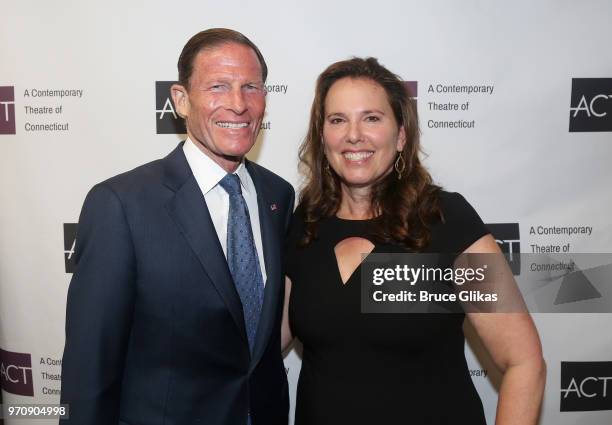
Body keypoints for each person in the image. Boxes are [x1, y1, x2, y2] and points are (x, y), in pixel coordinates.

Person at [281, 57, 546, 424]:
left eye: (372, 118)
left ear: (401, 135)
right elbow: (260, 348)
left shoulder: (444, 220)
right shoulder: (302, 227)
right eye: (337, 120)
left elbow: (523, 362)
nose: (353, 134)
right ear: (322, 136)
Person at [60, 28, 294, 425]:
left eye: (251, 87)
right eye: (218, 86)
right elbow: (89, 369)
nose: (238, 104)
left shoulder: (279, 195)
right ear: (181, 100)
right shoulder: (121, 204)